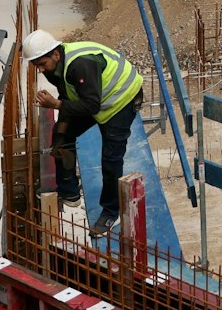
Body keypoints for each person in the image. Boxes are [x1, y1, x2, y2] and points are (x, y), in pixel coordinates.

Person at [23, 29, 144, 238]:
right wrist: (61, 135)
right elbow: (69, 95)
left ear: (56, 55)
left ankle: (110, 211)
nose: (41, 70)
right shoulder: (54, 68)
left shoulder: (80, 65)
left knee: (111, 159)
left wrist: (55, 104)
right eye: (37, 66)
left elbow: (90, 106)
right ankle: (69, 193)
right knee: (60, 135)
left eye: (42, 64)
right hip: (95, 100)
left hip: (122, 100)